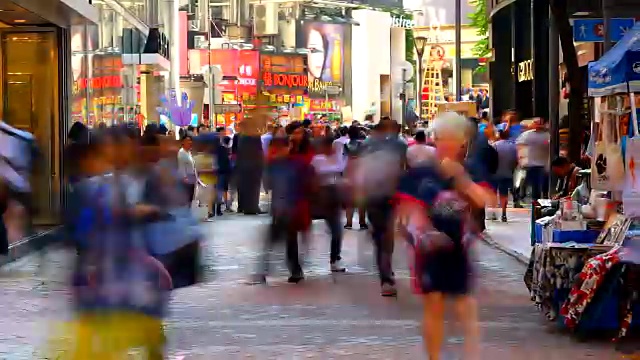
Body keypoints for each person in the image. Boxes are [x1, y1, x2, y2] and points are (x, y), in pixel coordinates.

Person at [395, 112, 489, 360]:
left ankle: (471, 355)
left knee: (465, 305)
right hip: (429, 249)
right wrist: (424, 230)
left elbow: (482, 200)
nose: (447, 144)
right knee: (434, 303)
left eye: (454, 139)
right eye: (442, 138)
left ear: (463, 142)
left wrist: (460, 178)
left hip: (460, 247)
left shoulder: (472, 169)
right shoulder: (420, 173)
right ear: (434, 139)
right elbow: (406, 209)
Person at [352, 117, 407, 297]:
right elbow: (402, 171)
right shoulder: (396, 147)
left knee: (382, 239)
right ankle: (386, 277)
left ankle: (386, 275)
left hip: (379, 199)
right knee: (385, 238)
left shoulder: (371, 148)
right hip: (383, 199)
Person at [311, 136, 346, 272]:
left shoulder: (337, 158)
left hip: (334, 195)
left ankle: (335, 258)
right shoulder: (317, 160)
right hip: (321, 195)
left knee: (337, 230)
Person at [516, 118, 550, 201]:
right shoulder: (527, 135)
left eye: (540, 123)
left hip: (543, 164)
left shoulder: (547, 135)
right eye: (536, 123)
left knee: (540, 184)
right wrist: (521, 159)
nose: (538, 125)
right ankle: (531, 198)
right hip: (532, 164)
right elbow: (519, 147)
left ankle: (539, 199)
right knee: (534, 184)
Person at [490, 130, 518, 222]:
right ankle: (504, 213)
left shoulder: (494, 146)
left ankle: (493, 213)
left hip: (495, 174)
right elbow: (516, 161)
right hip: (507, 173)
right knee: (504, 194)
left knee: (494, 193)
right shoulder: (513, 147)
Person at [343, 125, 367, 230]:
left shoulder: (345, 145)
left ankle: (349, 222)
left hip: (349, 173)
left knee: (349, 200)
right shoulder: (362, 145)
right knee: (361, 199)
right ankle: (362, 222)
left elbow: (342, 160)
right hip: (360, 173)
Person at [177, 135, 197, 205]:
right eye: (187, 140)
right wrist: (184, 178)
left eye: (190, 140)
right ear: (183, 142)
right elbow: (181, 166)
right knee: (186, 198)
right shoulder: (181, 153)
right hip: (186, 178)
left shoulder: (188, 152)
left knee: (190, 198)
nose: (190, 142)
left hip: (191, 176)